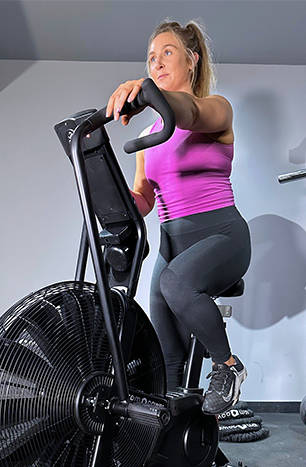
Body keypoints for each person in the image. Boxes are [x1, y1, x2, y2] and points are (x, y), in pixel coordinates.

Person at [106, 18, 251, 415]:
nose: (157, 62)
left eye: (167, 53)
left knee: (176, 284)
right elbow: (144, 197)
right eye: (151, 57)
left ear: (193, 60)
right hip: (173, 245)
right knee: (166, 351)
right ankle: (175, 442)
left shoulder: (214, 110)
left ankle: (228, 366)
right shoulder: (149, 138)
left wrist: (151, 95)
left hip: (222, 235)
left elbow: (186, 110)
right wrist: (114, 204)